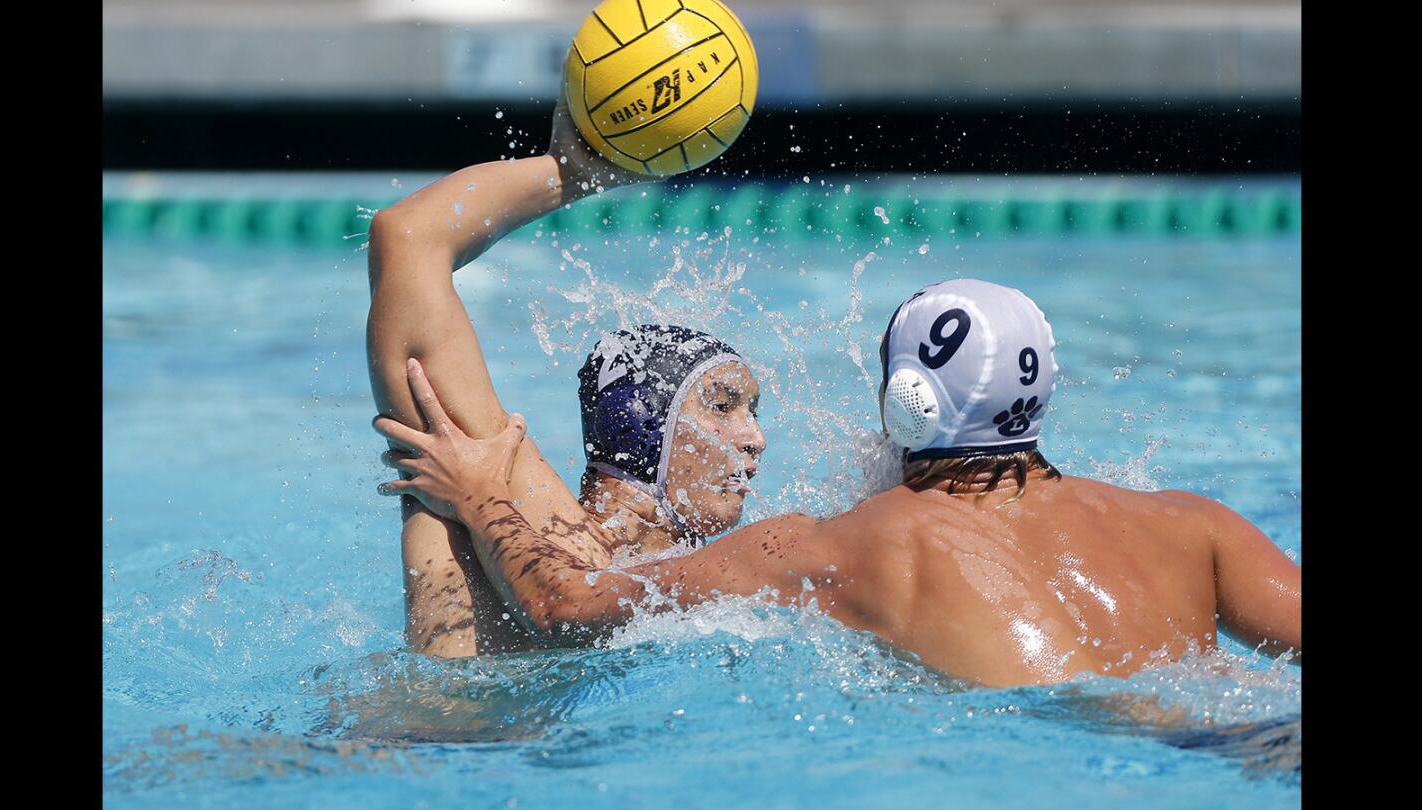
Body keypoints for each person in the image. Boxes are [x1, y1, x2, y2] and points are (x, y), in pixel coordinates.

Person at [374, 279, 1302, 688]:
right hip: (1229, 743)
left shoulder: (835, 548)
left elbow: (564, 604)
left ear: (903, 401)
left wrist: (480, 488)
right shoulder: (1195, 524)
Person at [365, 95, 765, 657]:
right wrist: (571, 174)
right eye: (723, 407)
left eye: (753, 411)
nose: (756, 438)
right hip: (429, 742)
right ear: (646, 428)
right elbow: (409, 236)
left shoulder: (666, 583)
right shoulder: (502, 488)